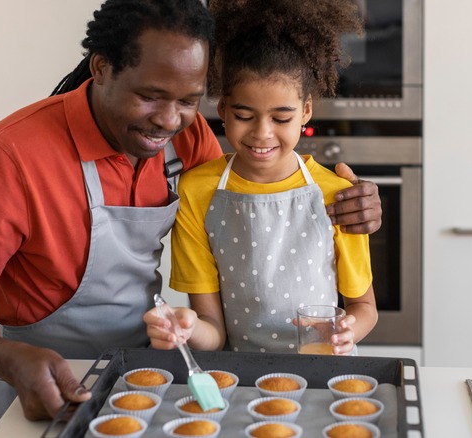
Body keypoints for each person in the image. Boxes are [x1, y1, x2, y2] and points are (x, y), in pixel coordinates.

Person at [0, 0, 382, 421]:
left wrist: (353, 202)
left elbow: (244, 197)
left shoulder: (187, 137)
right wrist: (15, 360)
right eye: (150, 95)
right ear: (101, 69)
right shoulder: (12, 155)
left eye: (187, 100)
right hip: (44, 379)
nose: (168, 119)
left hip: (151, 369)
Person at [144, 0, 378, 356]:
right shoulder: (196, 190)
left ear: (306, 111)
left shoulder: (337, 193)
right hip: (242, 376)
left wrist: (345, 331)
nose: (262, 133)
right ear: (222, 109)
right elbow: (214, 333)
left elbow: (365, 308)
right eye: (244, 115)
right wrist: (185, 329)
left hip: (326, 369)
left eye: (281, 118)